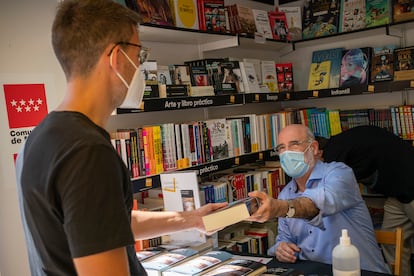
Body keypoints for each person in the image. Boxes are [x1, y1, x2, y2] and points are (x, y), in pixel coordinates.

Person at [15, 1, 227, 275]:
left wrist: (190, 219)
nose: (139, 66)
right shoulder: (87, 152)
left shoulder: (40, 138)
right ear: (116, 58)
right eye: (139, 53)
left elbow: (105, 224)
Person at [247, 124, 389, 274]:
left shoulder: (340, 173)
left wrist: (280, 208)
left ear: (314, 148)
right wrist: (281, 248)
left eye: (294, 144)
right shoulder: (285, 194)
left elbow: (314, 204)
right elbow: (284, 238)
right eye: (281, 147)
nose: (287, 152)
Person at [316, 125, 414, 276]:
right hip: (398, 193)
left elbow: (328, 190)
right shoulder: (343, 143)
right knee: (391, 242)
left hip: (409, 186)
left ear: (318, 151)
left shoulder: (333, 153)